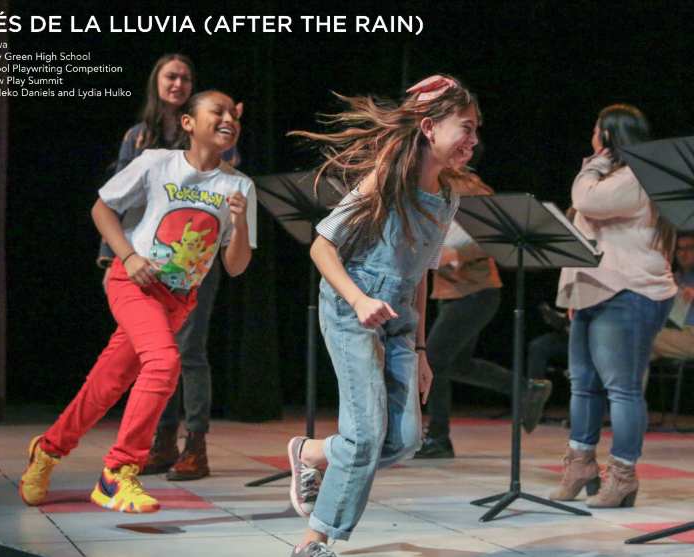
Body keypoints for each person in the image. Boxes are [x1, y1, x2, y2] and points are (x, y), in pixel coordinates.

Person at [19, 90, 256, 513]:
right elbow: (101, 209)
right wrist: (127, 256)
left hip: (179, 300)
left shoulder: (239, 186)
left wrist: (238, 225)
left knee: (106, 383)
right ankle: (118, 472)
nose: (228, 119)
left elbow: (236, 266)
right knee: (165, 363)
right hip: (134, 285)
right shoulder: (155, 162)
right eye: (216, 111)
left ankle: (48, 450)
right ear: (188, 123)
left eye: (232, 115)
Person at [284, 75, 478, 557]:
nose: (473, 141)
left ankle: (310, 453)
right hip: (354, 310)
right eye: (466, 128)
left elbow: (420, 275)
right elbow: (322, 247)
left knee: (406, 440)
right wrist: (358, 300)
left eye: (477, 130)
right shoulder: (387, 180)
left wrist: (421, 349)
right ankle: (315, 540)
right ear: (430, 128)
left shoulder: (448, 195)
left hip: (400, 323)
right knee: (367, 434)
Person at [97, 54, 241, 481]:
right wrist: (114, 255)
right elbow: (114, 200)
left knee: (189, 351)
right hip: (144, 261)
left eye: (186, 78)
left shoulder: (212, 128)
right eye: (171, 76)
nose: (179, 83)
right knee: (153, 353)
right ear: (156, 82)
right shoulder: (138, 138)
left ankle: (195, 445)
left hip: (194, 261)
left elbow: (229, 182)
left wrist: (228, 135)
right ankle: (161, 441)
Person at [550, 104, 676, 509]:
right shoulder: (616, 175)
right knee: (582, 383)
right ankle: (581, 464)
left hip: (630, 290)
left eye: (596, 132)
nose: (591, 137)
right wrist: (574, 293)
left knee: (621, 389)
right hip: (595, 288)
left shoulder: (636, 175)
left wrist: (593, 163)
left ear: (608, 136)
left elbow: (586, 201)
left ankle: (622, 476)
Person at [414, 169, 553, 459]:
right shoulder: (434, 183)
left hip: (476, 291)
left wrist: (456, 255)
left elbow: (496, 236)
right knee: (458, 365)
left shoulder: (472, 188)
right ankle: (528, 388)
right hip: (451, 292)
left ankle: (439, 438)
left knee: (435, 360)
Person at [651, 231, 694, 360]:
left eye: (690, 248)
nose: (683, 254)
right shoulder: (673, 277)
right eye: (679, 249)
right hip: (674, 330)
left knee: (640, 336)